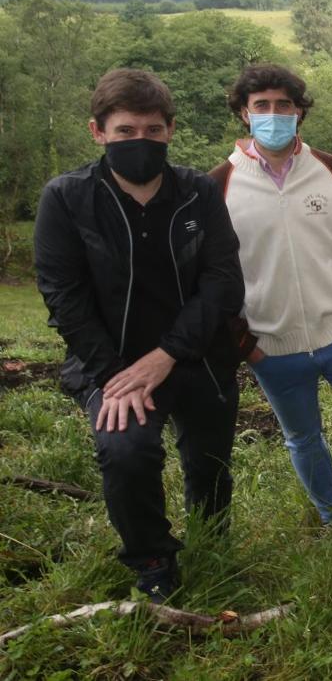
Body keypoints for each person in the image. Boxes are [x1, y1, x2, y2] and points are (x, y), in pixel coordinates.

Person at [34, 68, 244, 602]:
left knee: (209, 458)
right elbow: (63, 295)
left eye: (152, 130)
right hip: (112, 362)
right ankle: (152, 559)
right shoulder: (67, 199)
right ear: (97, 131)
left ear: (170, 130)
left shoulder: (196, 192)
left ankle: (212, 535)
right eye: (125, 131)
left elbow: (223, 281)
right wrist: (113, 377)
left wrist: (169, 354)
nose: (140, 142)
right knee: (127, 452)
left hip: (197, 354)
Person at [209, 64, 332, 526]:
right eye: (262, 106)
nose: (274, 115)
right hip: (272, 348)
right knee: (303, 438)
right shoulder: (219, 183)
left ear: (299, 112)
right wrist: (246, 344)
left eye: (284, 105)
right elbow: (214, 275)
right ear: (244, 113)